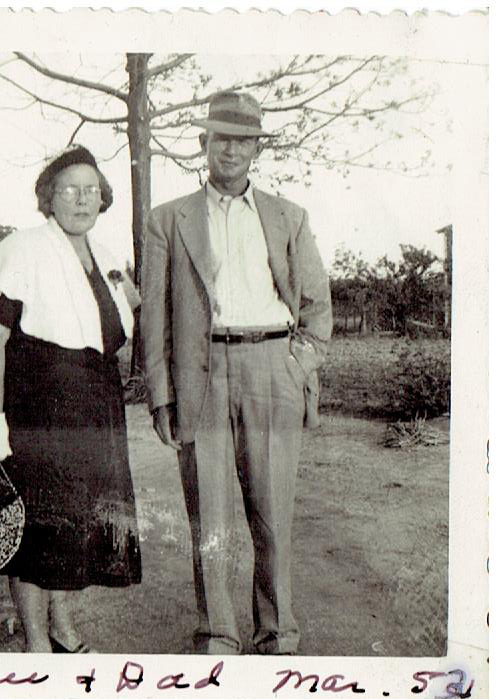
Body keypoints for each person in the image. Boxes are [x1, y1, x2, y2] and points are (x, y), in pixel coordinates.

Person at [141, 91, 332, 656]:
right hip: (200, 373)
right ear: (204, 144)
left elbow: (317, 305)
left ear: (256, 150)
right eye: (221, 138)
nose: (231, 150)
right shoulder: (167, 220)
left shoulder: (288, 216)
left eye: (243, 141)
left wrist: (297, 364)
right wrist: (162, 396)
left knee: (273, 514)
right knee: (210, 516)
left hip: (272, 366)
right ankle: (218, 633)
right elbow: (155, 317)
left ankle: (278, 632)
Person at [0, 145, 142, 653]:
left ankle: (61, 626)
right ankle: (37, 642)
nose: (82, 199)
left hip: (91, 406)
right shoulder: (21, 248)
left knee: (74, 523)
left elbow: (124, 317)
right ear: (49, 197)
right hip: (32, 406)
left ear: (103, 198)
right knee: (35, 530)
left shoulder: (105, 257)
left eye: (91, 190)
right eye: (70, 190)